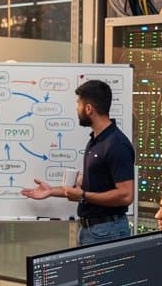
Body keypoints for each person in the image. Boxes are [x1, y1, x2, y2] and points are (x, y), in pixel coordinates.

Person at [21, 79, 135, 245]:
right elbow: (90, 188)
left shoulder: (116, 144)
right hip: (93, 230)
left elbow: (126, 195)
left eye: (78, 104)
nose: (76, 109)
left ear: (88, 109)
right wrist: (51, 191)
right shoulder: (96, 141)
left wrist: (82, 195)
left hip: (107, 231)